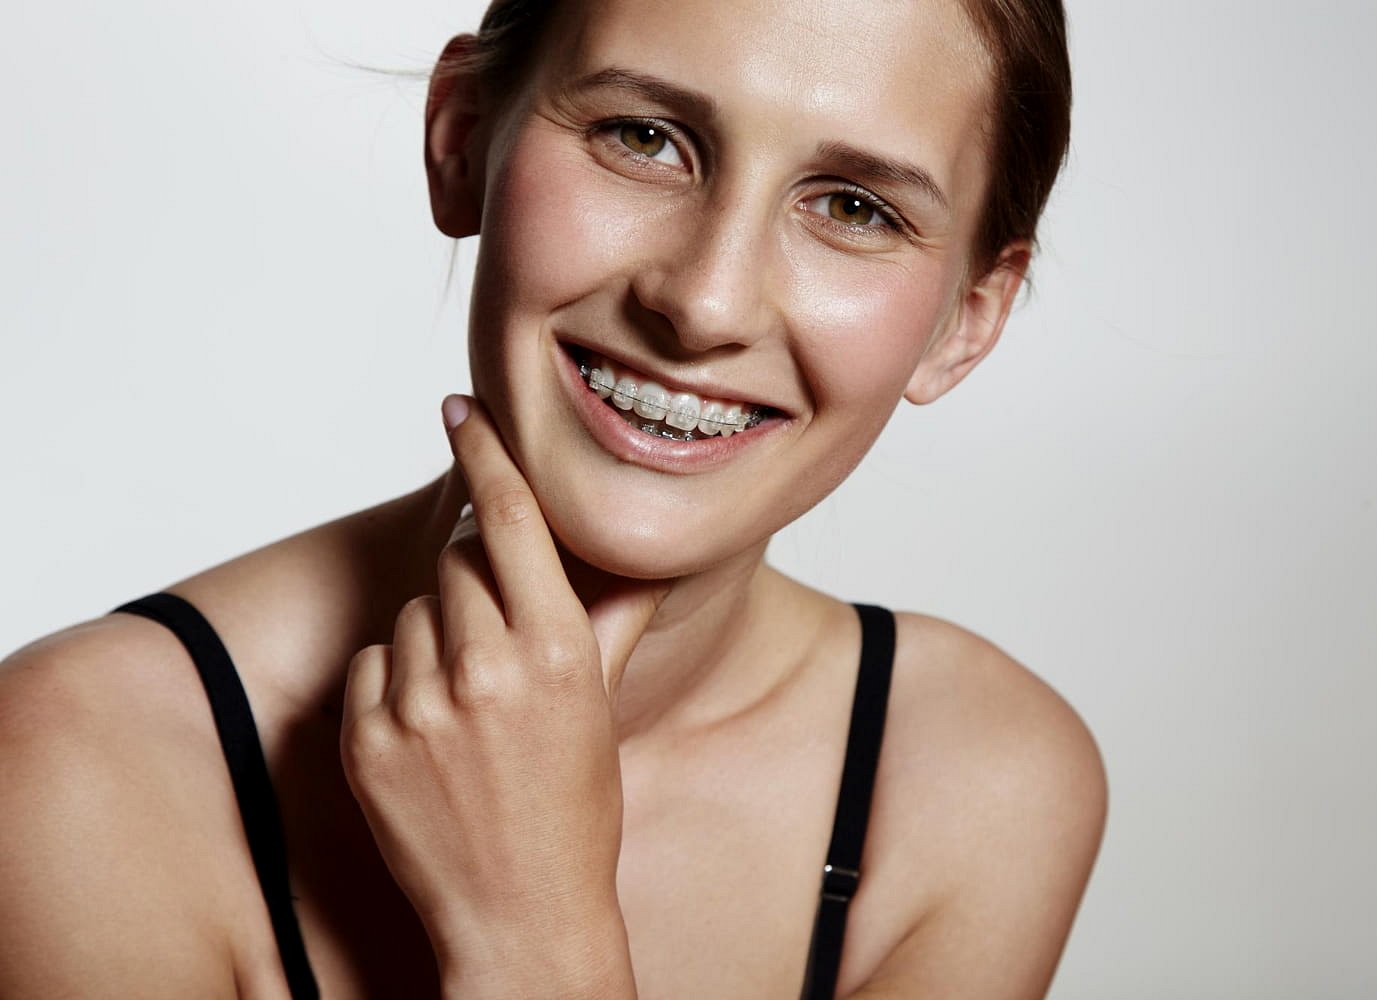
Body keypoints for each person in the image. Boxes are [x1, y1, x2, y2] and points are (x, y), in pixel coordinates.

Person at [0, 0, 1106, 996]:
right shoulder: (77, 772)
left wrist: (534, 935)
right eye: (645, 138)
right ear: (461, 136)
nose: (705, 301)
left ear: (968, 318)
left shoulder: (978, 786)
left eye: (854, 207)